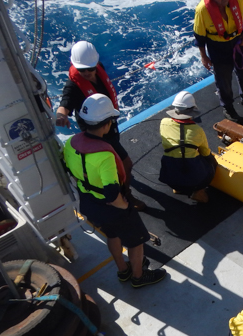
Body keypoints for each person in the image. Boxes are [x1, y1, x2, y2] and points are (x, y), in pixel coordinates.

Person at [63, 94, 167, 288]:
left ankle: (123, 270)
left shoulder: (70, 143)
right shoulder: (104, 155)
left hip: (89, 203)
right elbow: (111, 194)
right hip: (112, 206)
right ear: (106, 124)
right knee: (136, 241)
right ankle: (138, 277)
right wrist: (125, 206)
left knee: (112, 235)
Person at [56, 41, 147, 211]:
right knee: (125, 164)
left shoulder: (99, 69)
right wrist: (61, 114)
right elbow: (65, 102)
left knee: (118, 166)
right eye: (83, 70)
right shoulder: (73, 85)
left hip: (109, 127)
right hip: (98, 134)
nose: (88, 73)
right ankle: (125, 195)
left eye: (91, 68)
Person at [159, 91, 217, 203]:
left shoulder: (164, 122)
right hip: (192, 172)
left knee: (175, 168)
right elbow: (205, 153)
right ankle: (199, 192)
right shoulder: (197, 130)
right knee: (211, 165)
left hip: (169, 172)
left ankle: (177, 188)